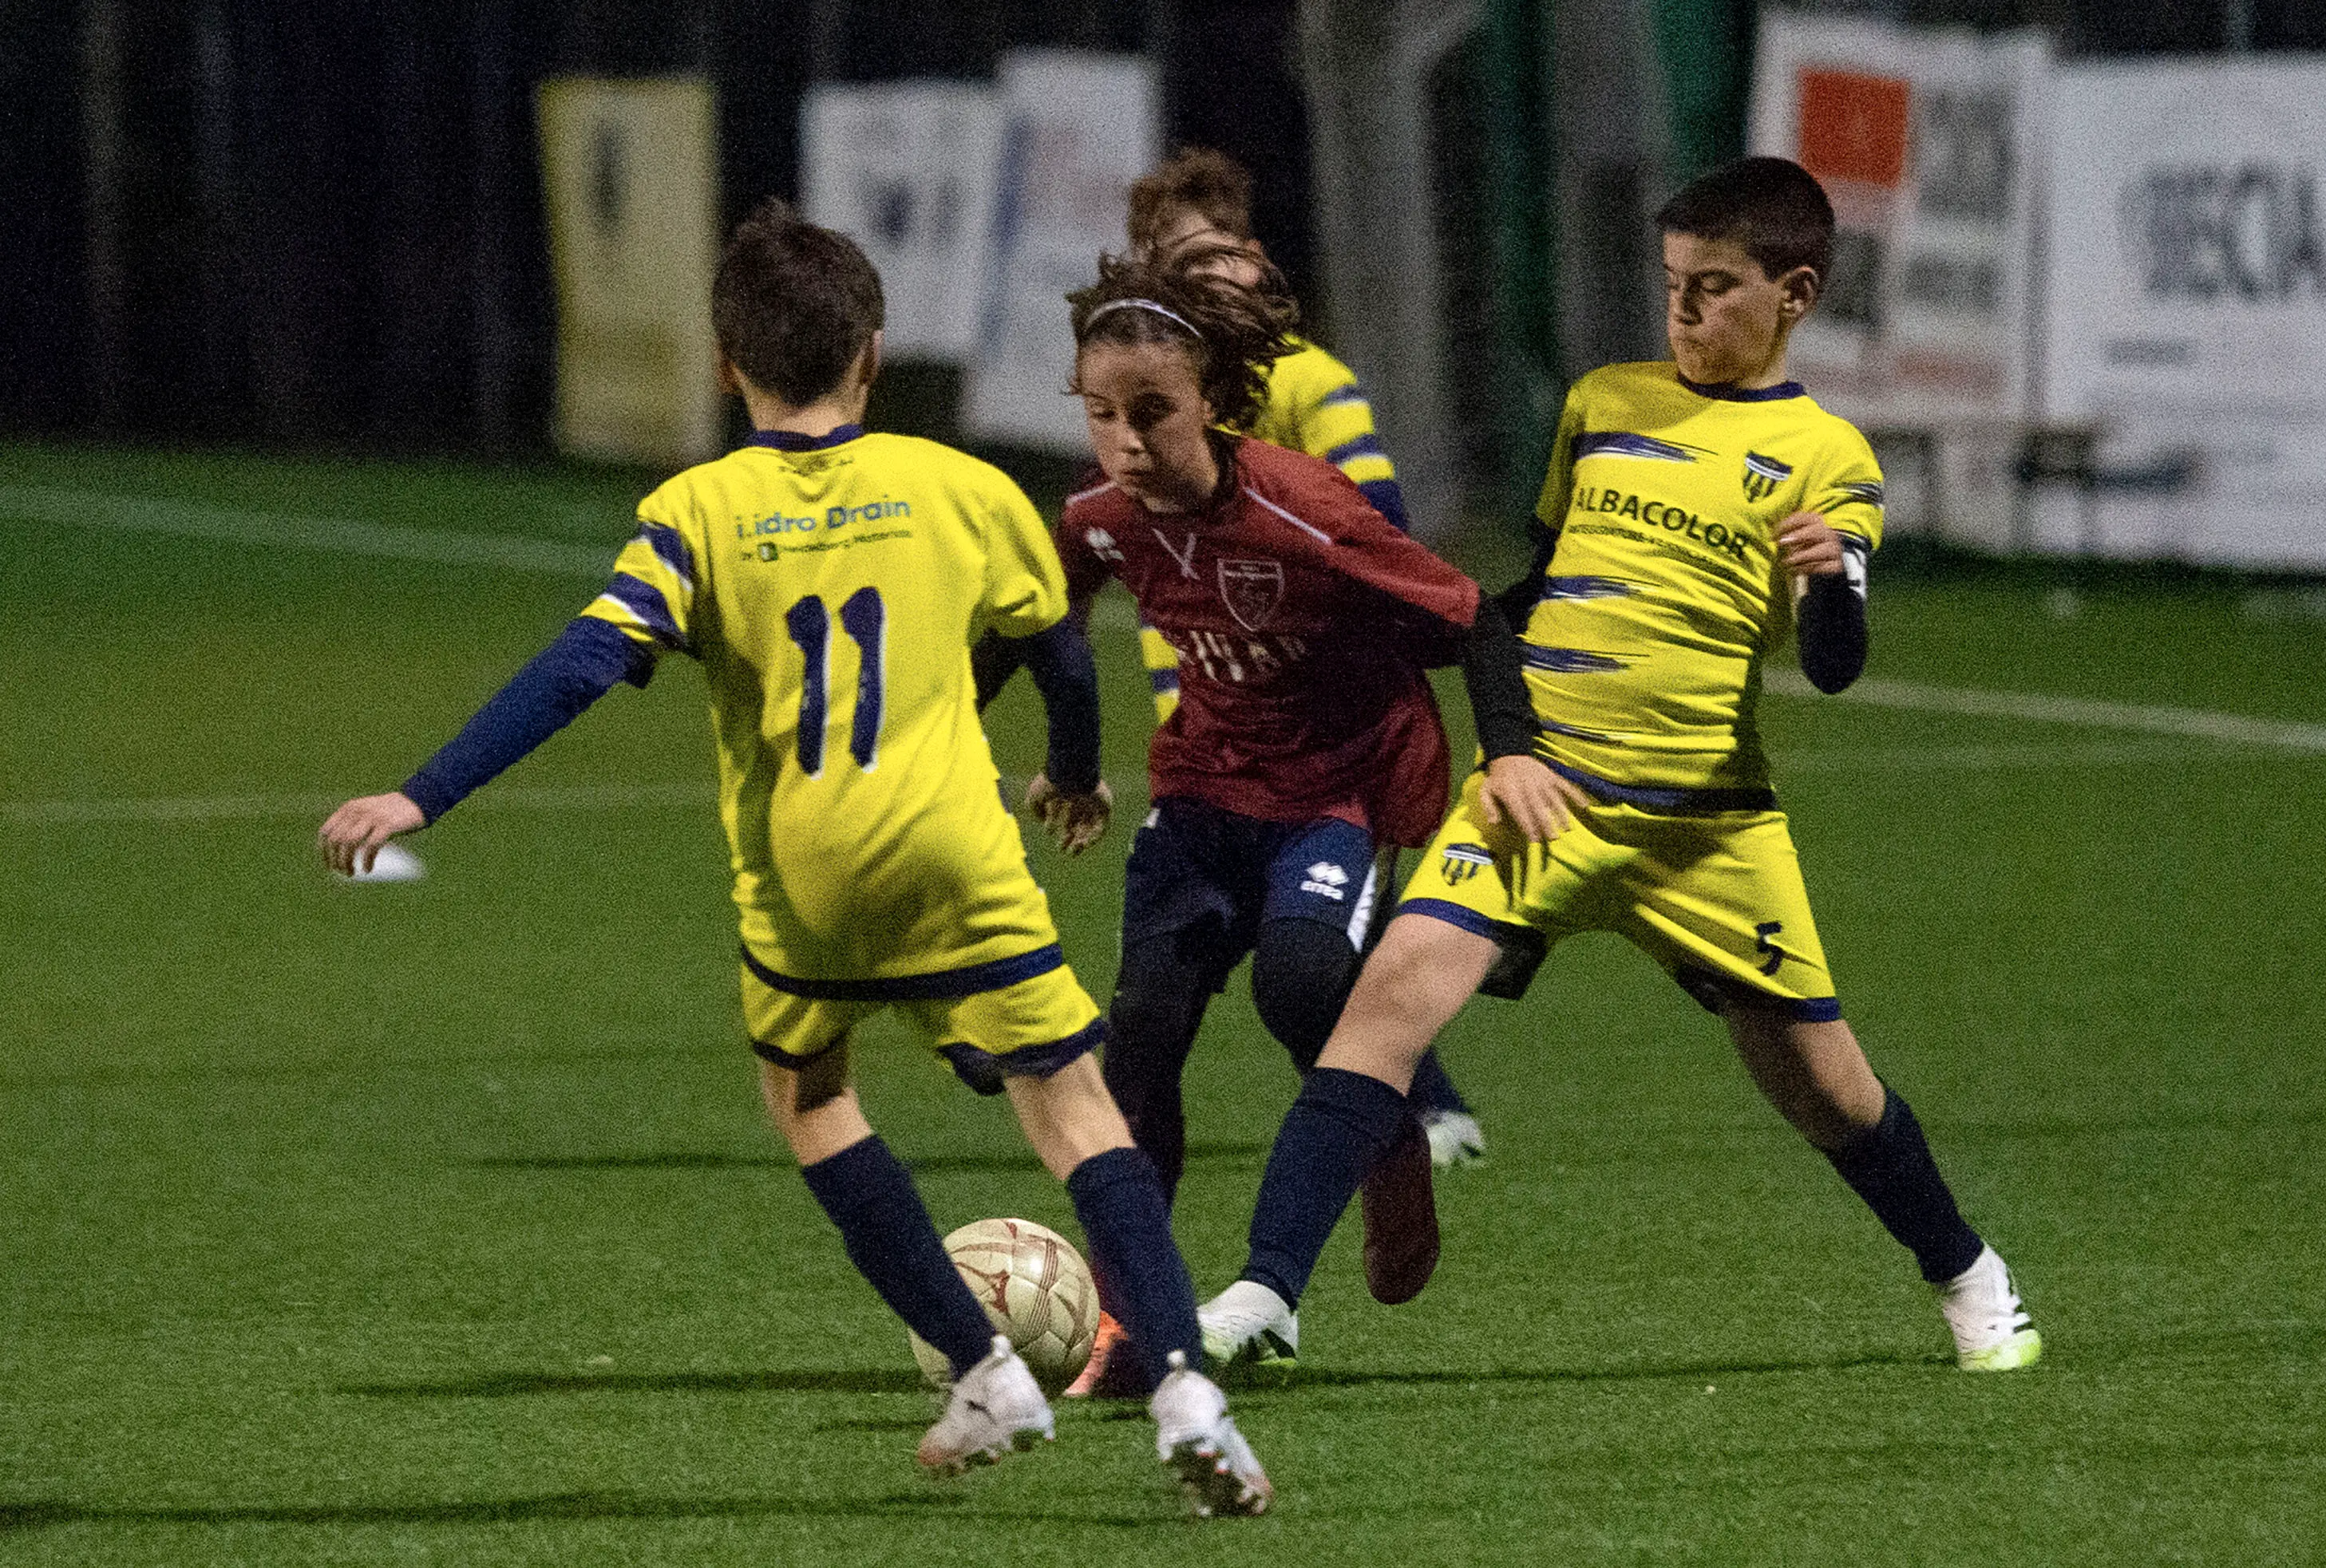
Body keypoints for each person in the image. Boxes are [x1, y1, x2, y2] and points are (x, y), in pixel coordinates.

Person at [315, 202, 1272, 1517]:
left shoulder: (697, 510)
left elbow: (584, 665)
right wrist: (1063, 770)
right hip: (954, 847)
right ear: (871, 355)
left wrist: (424, 796)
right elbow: (1056, 650)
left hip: (805, 874)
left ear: (726, 367)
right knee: (1074, 1111)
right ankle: (1182, 1388)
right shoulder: (964, 487)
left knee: (812, 1097)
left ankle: (985, 1369)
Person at [1192, 156, 2044, 1378]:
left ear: (1794, 293)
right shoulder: (1603, 402)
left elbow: (1839, 662)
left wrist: (1827, 578)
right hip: (1542, 793)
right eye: (1670, 287)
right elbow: (1524, 596)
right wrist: (1505, 737)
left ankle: (1967, 1271)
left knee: (1826, 1092)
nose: (1683, 313)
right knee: (1383, 1010)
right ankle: (1267, 1291)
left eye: (1714, 289)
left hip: (1704, 823)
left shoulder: (1826, 457)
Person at [983, 249, 1541, 1396]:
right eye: (1101, 416)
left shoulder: (1304, 506)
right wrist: (1049, 763)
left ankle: (1386, 1141)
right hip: (1199, 794)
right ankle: (1130, 1323)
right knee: (1139, 1033)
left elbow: (1475, 618)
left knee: (1301, 989)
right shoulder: (1098, 519)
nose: (1126, 442)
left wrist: (1518, 753)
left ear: (1215, 401)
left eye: (1153, 414)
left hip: (1332, 798)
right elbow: (1034, 627)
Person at [1126, 148, 1487, 1167]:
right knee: (1188, 973)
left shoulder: (1306, 379)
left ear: (1251, 258)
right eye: (1168, 263)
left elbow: (1388, 528)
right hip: (1212, 732)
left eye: (1212, 254)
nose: (1194, 279)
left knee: (1308, 950)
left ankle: (1399, 1122)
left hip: (1333, 730)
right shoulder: (1151, 403)